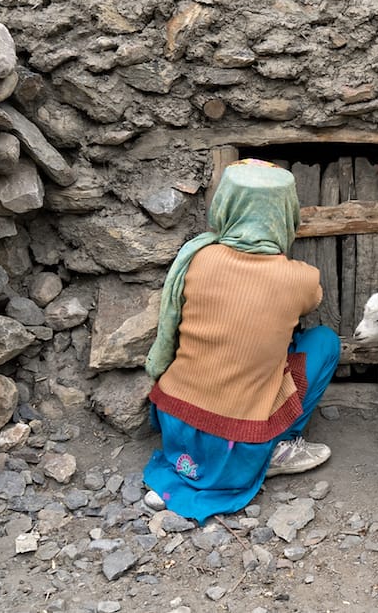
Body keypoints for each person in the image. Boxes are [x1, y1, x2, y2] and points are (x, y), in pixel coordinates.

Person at [142, 159, 340, 522]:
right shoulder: (302, 279)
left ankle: (184, 468)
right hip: (236, 437)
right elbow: (313, 303)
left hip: (176, 416)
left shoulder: (197, 257)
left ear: (226, 204)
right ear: (285, 212)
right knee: (324, 340)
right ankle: (280, 446)